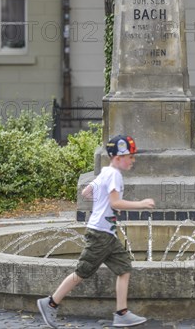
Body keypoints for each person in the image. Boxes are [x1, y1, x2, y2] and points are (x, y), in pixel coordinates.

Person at [37, 134, 155, 328]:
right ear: (118, 157)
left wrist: (100, 202)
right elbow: (116, 203)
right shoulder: (115, 175)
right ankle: (50, 302)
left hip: (105, 233)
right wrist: (140, 204)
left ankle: (122, 313)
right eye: (130, 156)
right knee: (82, 272)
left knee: (124, 267)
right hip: (100, 233)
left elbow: (86, 192)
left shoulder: (105, 172)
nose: (133, 160)